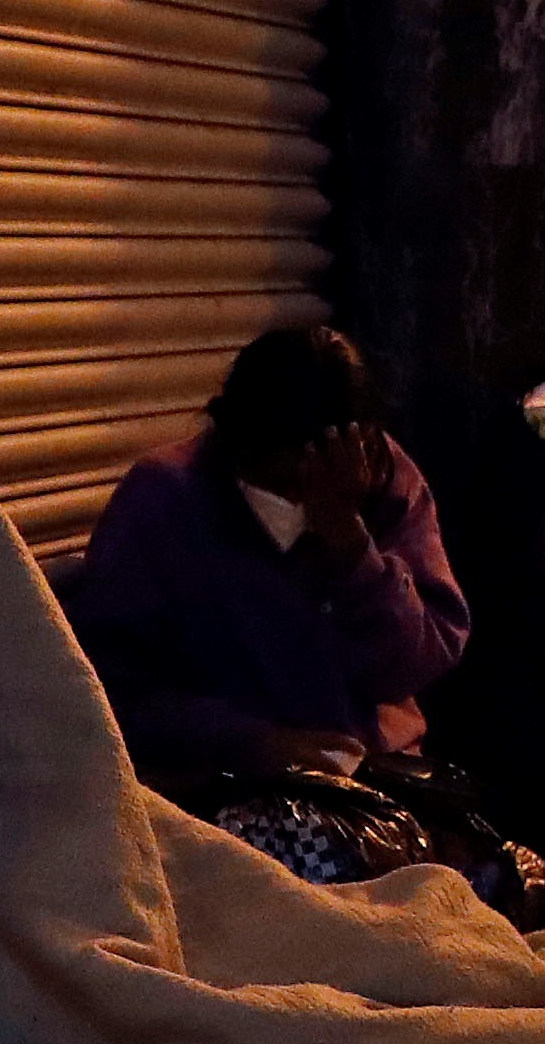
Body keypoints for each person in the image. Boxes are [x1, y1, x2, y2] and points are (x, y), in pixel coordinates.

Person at [64, 325, 471, 807]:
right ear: (240, 449)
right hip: (237, 795)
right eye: (288, 483)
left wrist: (351, 546)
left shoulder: (382, 480)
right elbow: (109, 692)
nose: (304, 498)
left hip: (376, 784)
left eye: (322, 480)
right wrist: (253, 744)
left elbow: (415, 662)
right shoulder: (164, 500)